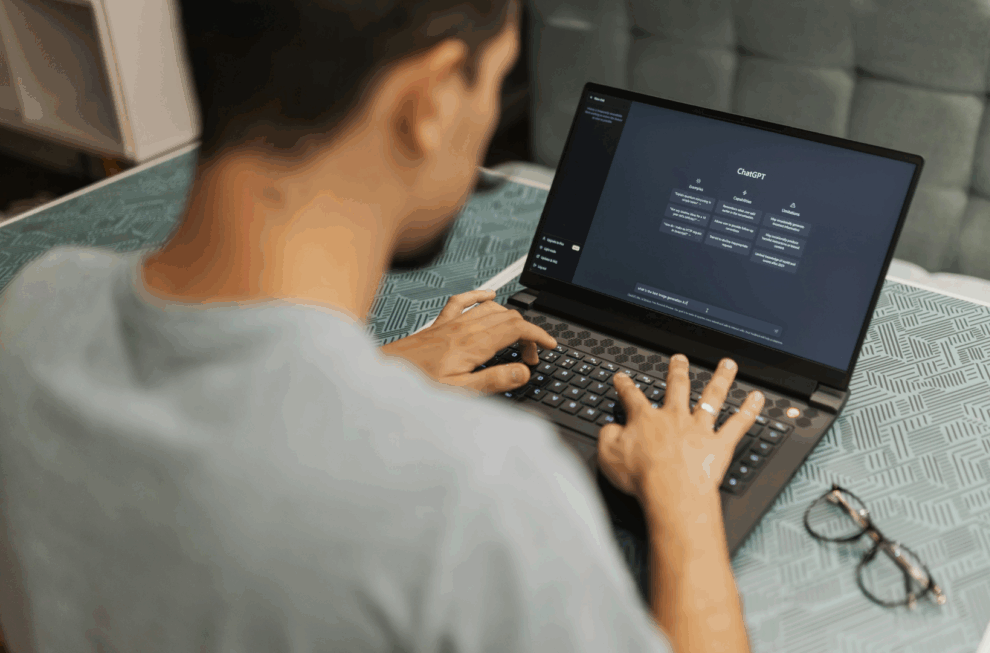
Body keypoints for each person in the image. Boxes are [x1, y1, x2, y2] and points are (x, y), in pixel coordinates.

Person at [0, 1, 764, 651]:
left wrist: (373, 380)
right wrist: (684, 498)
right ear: (429, 101)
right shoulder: (477, 492)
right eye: (495, 79)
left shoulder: (32, 309)